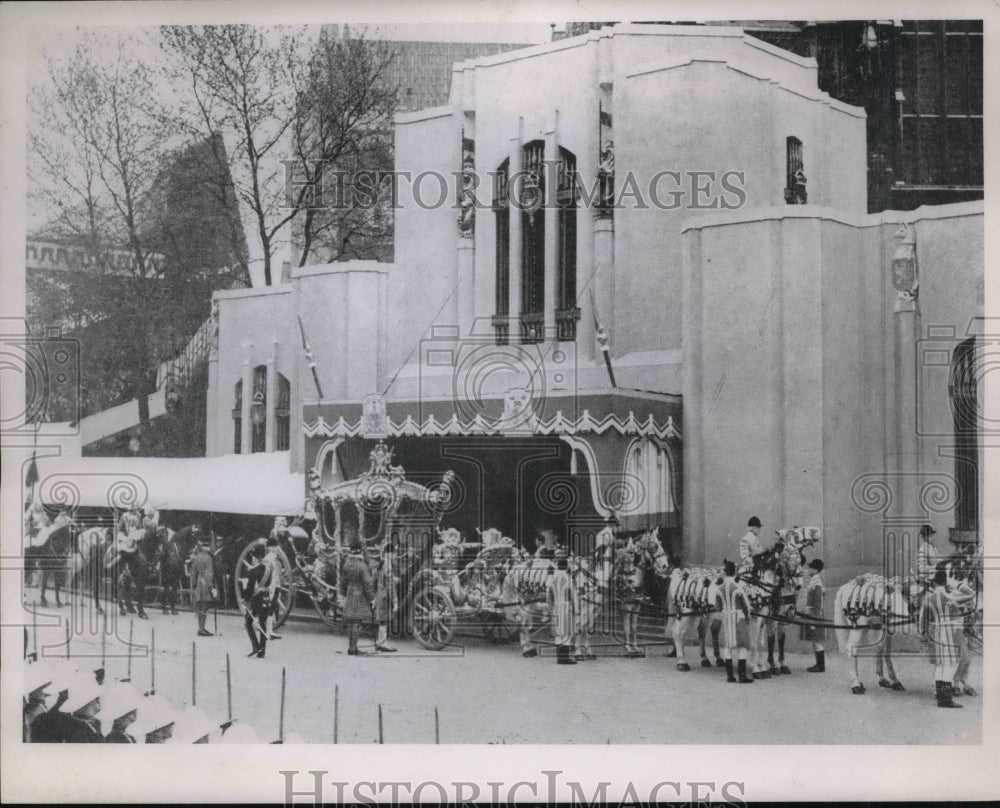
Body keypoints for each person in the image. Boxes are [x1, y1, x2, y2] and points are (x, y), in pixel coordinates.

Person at [927, 563, 977, 708]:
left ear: (935, 582)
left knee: (940, 665)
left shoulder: (931, 597)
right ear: (945, 582)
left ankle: (941, 698)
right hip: (950, 632)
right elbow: (971, 594)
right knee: (950, 664)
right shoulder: (950, 595)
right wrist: (960, 585)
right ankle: (946, 699)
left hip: (937, 630)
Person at [715, 560, 754, 684]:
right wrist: (747, 617)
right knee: (742, 646)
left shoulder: (719, 589)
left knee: (728, 646)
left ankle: (730, 676)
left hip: (727, 618)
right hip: (739, 617)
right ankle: (742, 676)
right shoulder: (738, 588)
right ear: (735, 572)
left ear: (725, 572)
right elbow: (746, 606)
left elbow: (717, 607)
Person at [340, 538, 375, 655]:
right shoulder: (362, 566)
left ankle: (351, 647)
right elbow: (368, 584)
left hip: (350, 593)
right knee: (357, 622)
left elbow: (342, 582)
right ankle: (353, 648)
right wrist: (372, 598)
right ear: (360, 551)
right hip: (359, 594)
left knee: (350, 622)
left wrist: (344, 593)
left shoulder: (346, 564)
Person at [239, 543, 270, 658]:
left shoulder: (254, 570)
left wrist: (245, 600)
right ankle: (262, 650)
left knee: (248, 623)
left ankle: (255, 646)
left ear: (255, 557)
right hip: (267, 597)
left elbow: (250, 588)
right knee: (263, 623)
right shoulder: (269, 568)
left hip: (257, 598)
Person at [547, 548, 578, 665]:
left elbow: (548, 596)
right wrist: (577, 610)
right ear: (566, 567)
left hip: (556, 607)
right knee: (567, 632)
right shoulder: (569, 579)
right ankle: (565, 658)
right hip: (567, 607)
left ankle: (559, 657)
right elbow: (574, 596)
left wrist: (550, 608)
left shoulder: (552, 579)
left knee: (558, 633)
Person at [800, 559, 826, 672]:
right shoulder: (813, 581)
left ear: (815, 570)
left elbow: (818, 602)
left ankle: (820, 665)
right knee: (815, 641)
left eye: (810, 568)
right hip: (811, 614)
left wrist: (815, 619)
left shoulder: (817, 584)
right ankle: (819, 664)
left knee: (817, 640)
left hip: (815, 615)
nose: (808, 569)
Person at [373, 543, 398, 653]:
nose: (395, 555)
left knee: (382, 619)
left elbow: (376, 580)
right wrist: (395, 600)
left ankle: (380, 642)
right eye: (394, 553)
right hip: (385, 595)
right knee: (384, 621)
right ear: (390, 553)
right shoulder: (388, 565)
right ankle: (383, 643)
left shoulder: (381, 563)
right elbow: (390, 585)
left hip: (379, 593)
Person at [190, 539, 216, 637]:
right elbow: (209, 574)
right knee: (205, 606)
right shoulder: (208, 558)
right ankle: (201, 629)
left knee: (200, 605)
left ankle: (201, 628)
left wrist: (194, 584)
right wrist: (212, 587)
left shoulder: (197, 557)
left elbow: (194, 572)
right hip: (206, 583)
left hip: (199, 582)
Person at [262, 537, 283, 641]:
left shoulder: (276, 557)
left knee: (273, 607)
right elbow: (266, 574)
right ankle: (266, 631)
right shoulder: (268, 558)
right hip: (271, 585)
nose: (274, 548)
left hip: (277, 584)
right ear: (269, 547)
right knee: (268, 607)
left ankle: (270, 631)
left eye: (275, 546)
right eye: (272, 546)